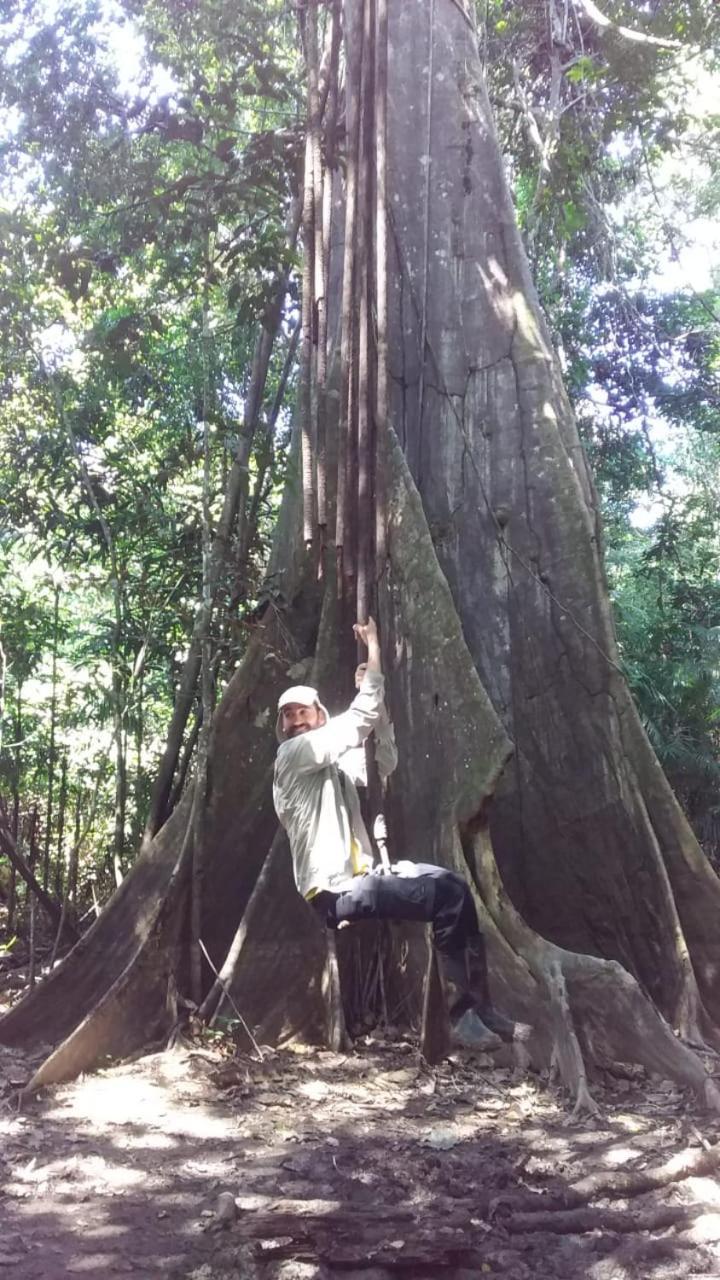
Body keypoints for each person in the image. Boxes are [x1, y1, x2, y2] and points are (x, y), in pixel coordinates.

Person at [273, 617, 526, 1051]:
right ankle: (459, 1016)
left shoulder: (329, 768)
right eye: (289, 715)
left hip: (359, 880)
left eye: (304, 712)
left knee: (455, 888)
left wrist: (379, 704)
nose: (296, 720)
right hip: (336, 892)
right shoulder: (296, 755)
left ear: (319, 716)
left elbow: (382, 761)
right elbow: (357, 721)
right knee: (445, 898)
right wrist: (373, 651)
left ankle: (481, 1007)